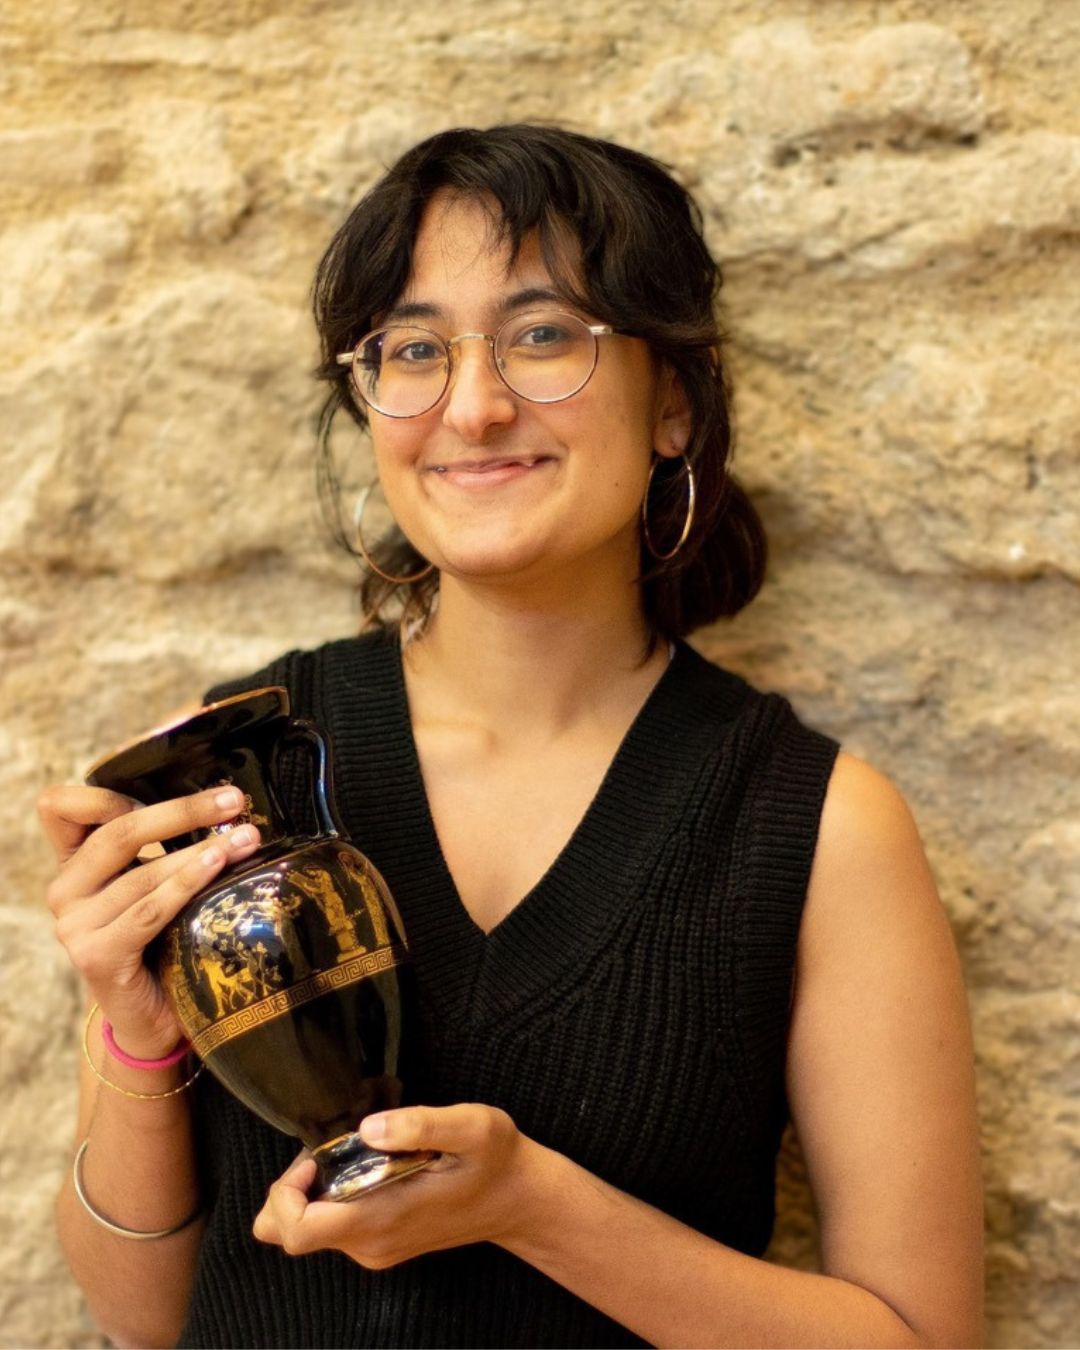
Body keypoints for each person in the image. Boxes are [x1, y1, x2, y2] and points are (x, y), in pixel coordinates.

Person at [39, 124, 984, 1349]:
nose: (474, 407)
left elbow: (923, 1338)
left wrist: (535, 1207)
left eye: (543, 336)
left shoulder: (815, 827)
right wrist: (138, 1035)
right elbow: (150, 1316)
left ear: (674, 406)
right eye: (415, 350)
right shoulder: (241, 773)